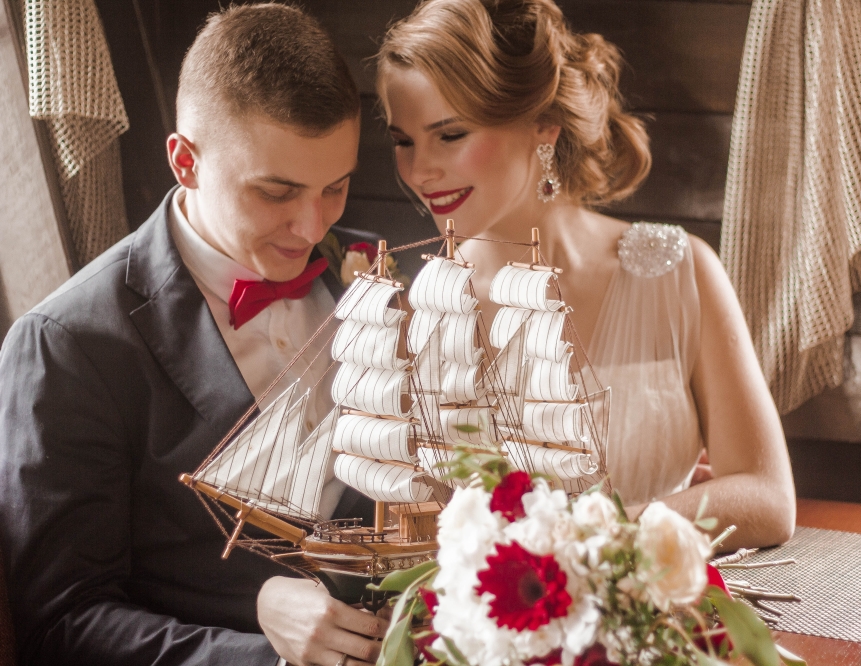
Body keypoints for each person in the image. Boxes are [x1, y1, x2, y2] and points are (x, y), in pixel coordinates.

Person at [0, 5, 388, 665]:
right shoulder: (67, 346)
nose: (311, 224)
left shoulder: (367, 269)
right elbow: (62, 624)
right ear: (185, 161)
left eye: (335, 187)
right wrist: (263, 648)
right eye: (276, 192)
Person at [375, 0, 796, 549]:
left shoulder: (679, 271)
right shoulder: (422, 311)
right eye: (403, 141)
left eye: (449, 134)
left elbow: (767, 498)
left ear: (543, 125)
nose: (419, 170)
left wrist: (594, 539)